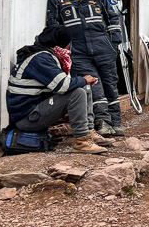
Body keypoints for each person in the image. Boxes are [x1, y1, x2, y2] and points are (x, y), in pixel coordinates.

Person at [46, 0, 126, 136]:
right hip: (78, 52)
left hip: (104, 48)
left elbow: (113, 19)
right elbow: (53, 26)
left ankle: (116, 122)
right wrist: (64, 50)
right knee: (93, 85)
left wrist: (114, 43)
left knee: (111, 84)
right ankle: (103, 122)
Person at [7, 24, 105, 152]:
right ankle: (82, 142)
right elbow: (63, 86)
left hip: (34, 112)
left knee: (83, 86)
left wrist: (83, 81)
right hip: (26, 119)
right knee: (78, 92)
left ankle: (88, 131)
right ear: (64, 43)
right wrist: (83, 79)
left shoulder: (45, 55)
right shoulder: (40, 59)